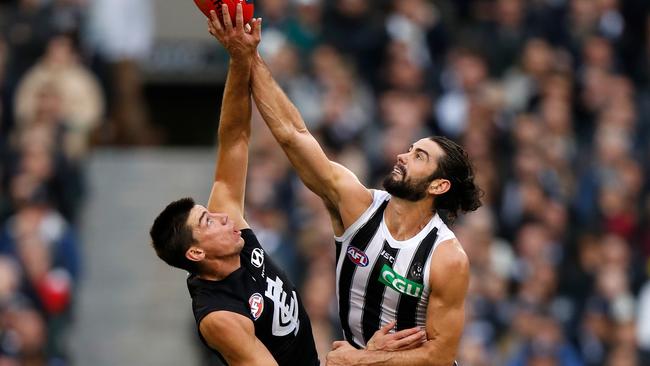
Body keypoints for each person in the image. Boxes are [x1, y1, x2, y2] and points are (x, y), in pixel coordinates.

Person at [249, 23, 483, 366]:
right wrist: (250, 56)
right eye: (409, 148)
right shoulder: (357, 204)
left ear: (438, 185)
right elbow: (293, 135)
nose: (402, 155)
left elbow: (440, 355)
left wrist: (360, 360)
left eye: (419, 156)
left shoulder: (448, 257)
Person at [148, 6, 319, 365]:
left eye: (211, 214)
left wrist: (238, 59)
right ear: (196, 253)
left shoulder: (231, 237)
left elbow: (236, 138)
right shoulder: (219, 316)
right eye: (207, 222)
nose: (224, 218)